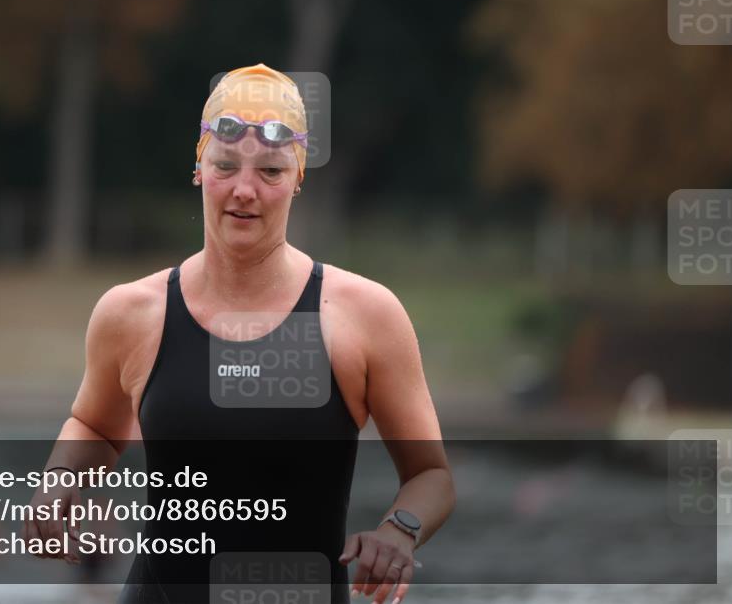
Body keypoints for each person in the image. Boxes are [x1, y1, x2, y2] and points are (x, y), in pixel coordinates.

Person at [25, 64, 455, 604]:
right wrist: (59, 480)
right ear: (199, 168)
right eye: (225, 165)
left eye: (270, 171)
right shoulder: (132, 313)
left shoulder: (363, 315)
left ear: (298, 177)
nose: (244, 190)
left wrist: (399, 530)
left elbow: (430, 474)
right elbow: (96, 426)